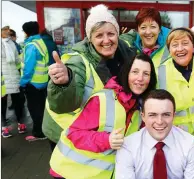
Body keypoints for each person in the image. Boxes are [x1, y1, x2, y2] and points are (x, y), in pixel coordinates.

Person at [49, 53, 157, 179]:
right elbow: (73, 133)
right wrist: (107, 140)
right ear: (126, 73)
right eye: (135, 72)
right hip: (72, 171)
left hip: (99, 176)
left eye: (146, 74)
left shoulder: (138, 108)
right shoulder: (104, 99)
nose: (140, 78)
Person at [43, 4, 136, 150]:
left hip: (94, 134)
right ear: (90, 39)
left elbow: (132, 35)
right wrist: (64, 84)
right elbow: (64, 105)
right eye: (99, 35)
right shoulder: (77, 61)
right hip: (64, 131)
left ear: (117, 34)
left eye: (111, 34)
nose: (106, 40)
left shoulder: (124, 51)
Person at [115, 89, 194, 179]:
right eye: (152, 115)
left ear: (173, 116)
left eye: (166, 114)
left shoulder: (189, 144)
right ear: (143, 117)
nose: (160, 121)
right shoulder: (128, 147)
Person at [157, 27, 194, 179]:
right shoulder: (159, 72)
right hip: (175, 146)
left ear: (193, 47)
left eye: (185, 43)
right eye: (175, 44)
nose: (180, 49)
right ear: (169, 49)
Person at [21, 21, 49, 141]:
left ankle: (39, 133)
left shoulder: (31, 45)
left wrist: (23, 82)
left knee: (34, 108)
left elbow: (28, 67)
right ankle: (45, 130)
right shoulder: (41, 42)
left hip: (32, 82)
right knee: (42, 107)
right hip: (43, 81)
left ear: (27, 32)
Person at [1, 25, 26, 138]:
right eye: (5, 30)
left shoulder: (12, 43)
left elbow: (17, 60)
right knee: (3, 103)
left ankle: (21, 123)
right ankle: (3, 127)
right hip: (2, 78)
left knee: (18, 101)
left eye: (8, 30)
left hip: (14, 76)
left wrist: (19, 72)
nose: (8, 32)